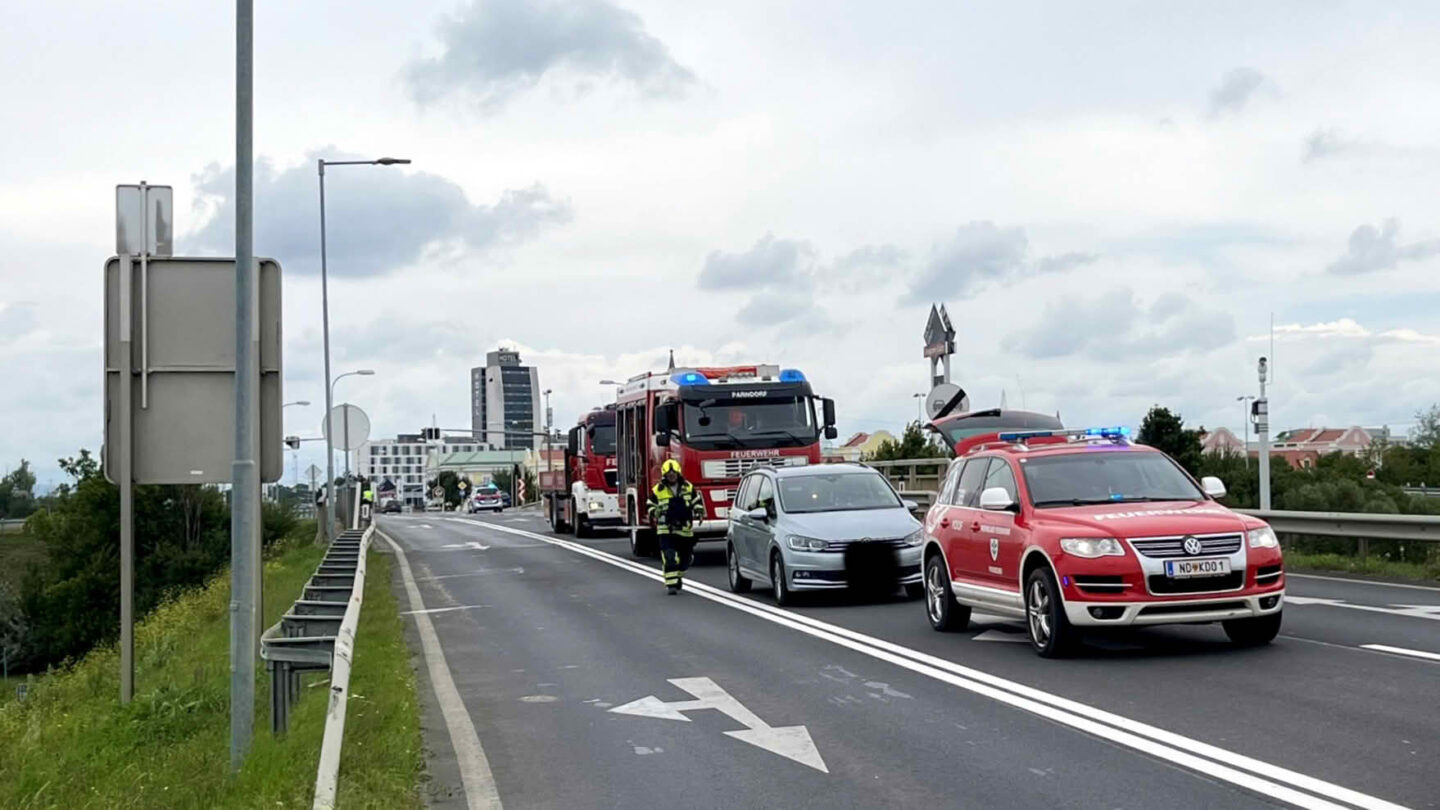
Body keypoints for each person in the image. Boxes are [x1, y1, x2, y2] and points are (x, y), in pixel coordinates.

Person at [647, 458, 706, 594]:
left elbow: (696, 501)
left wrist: (699, 511)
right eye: (669, 474)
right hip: (666, 530)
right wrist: (655, 512)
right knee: (669, 556)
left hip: (684, 531)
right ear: (665, 475)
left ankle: (677, 576)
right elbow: (650, 505)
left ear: (678, 473)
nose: (671, 476)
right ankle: (671, 585)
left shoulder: (688, 487)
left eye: (674, 473)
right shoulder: (658, 490)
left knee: (686, 558)